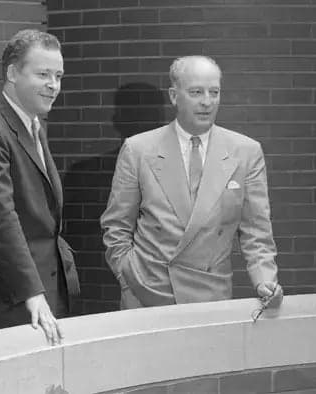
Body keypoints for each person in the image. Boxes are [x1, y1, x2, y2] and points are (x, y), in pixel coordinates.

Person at [100, 55, 283, 310]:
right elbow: (116, 226)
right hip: (148, 293)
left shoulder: (246, 152)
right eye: (196, 92)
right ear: (174, 96)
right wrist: (129, 277)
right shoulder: (139, 149)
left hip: (210, 295)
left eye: (214, 92)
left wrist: (265, 281)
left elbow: (256, 232)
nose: (207, 102)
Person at [0, 29, 79, 345]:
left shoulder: (34, 126)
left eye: (59, 75)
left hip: (43, 294)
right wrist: (33, 293)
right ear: (12, 73)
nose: (54, 85)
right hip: (9, 301)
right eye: (43, 74)